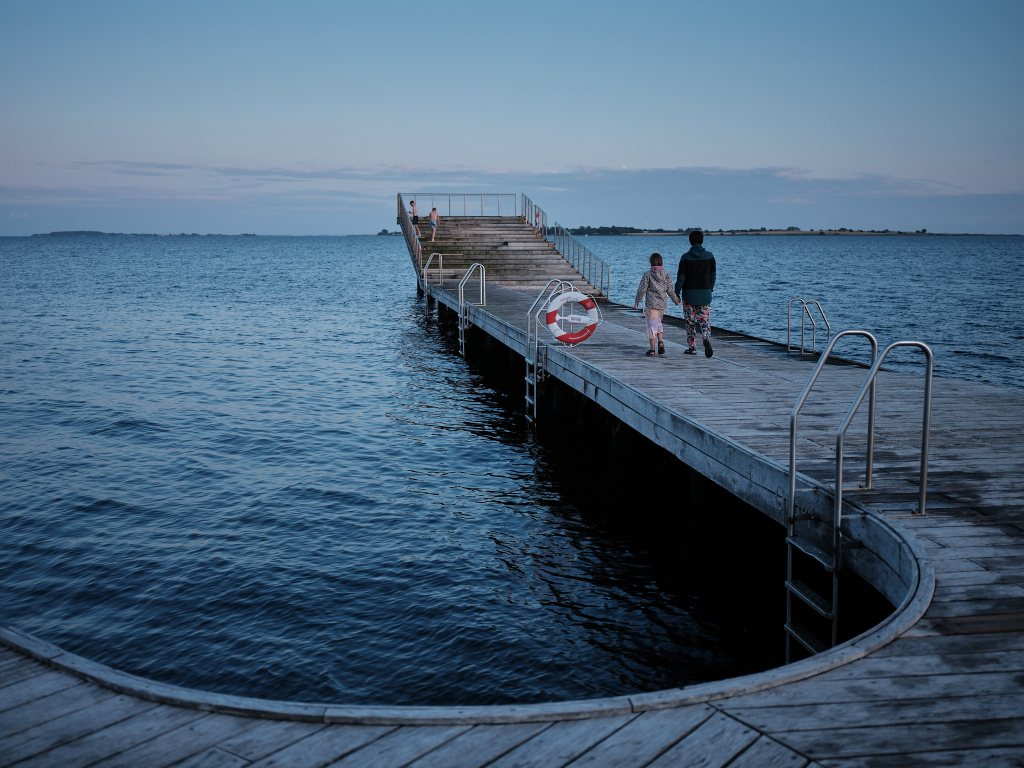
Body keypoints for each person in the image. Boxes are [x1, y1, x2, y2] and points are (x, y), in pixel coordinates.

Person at [675, 229, 717, 357]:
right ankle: (706, 338)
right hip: (705, 295)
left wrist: (676, 292)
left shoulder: (685, 257)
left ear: (690, 241)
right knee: (704, 321)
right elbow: (713, 276)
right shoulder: (710, 256)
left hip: (689, 295)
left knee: (690, 322)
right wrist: (710, 289)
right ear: (702, 240)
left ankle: (692, 347)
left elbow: (681, 278)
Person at [634, 252, 680, 357]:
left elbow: (642, 289)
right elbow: (670, 289)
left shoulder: (648, 274)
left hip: (651, 304)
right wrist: (676, 300)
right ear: (661, 262)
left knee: (651, 326)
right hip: (662, 304)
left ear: (651, 262)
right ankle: (660, 341)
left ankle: (652, 349)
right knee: (658, 323)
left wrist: (637, 301)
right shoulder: (665, 274)